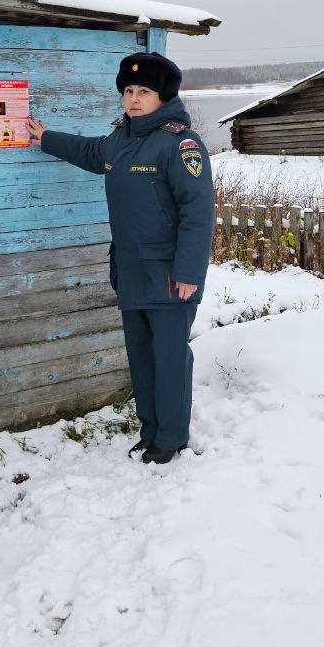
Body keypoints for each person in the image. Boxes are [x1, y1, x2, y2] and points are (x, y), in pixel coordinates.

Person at [25, 51, 214, 465]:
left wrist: (188, 273)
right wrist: (47, 138)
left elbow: (198, 215)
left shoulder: (179, 144)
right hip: (130, 272)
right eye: (128, 90)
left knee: (169, 360)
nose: (133, 98)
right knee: (142, 359)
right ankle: (150, 432)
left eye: (144, 91)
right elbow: (93, 153)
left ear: (162, 96)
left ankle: (171, 437)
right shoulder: (121, 139)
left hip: (168, 276)